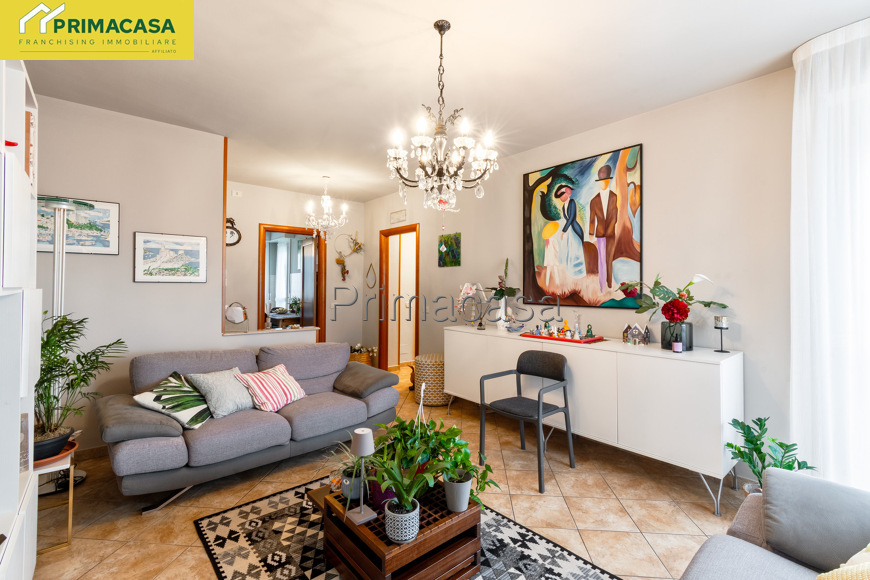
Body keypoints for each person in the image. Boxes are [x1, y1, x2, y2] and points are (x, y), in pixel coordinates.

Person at [588, 165, 619, 291]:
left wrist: (611, 229)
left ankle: (609, 283)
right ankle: (602, 286)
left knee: (609, 258)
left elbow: (615, 216)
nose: (603, 183)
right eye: (601, 181)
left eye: (605, 180)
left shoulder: (614, 197)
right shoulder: (594, 200)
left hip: (611, 233)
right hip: (600, 233)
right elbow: (592, 218)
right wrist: (591, 232)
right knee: (601, 259)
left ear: (608, 181)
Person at [558, 189, 586, 279]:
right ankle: (571, 272)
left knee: (577, 250)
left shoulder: (572, 202)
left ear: (567, 194)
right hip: (569, 231)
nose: (561, 197)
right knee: (569, 250)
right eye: (560, 196)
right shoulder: (563, 207)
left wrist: (564, 230)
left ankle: (580, 272)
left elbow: (571, 218)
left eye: (562, 194)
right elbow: (566, 219)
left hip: (574, 229)